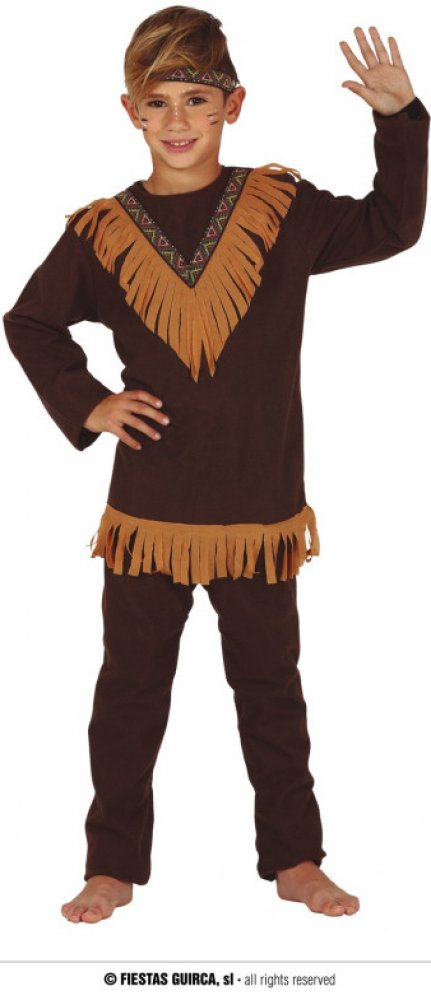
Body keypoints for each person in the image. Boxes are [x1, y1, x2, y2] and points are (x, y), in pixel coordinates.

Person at [3, 6, 429, 924]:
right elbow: (29, 321)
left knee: (271, 691)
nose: (178, 120)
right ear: (130, 111)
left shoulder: (280, 210)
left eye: (196, 100)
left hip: (258, 509)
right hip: (148, 512)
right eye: (158, 102)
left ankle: (296, 860)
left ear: (233, 105)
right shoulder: (102, 231)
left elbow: (391, 225)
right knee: (128, 693)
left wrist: (399, 120)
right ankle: (111, 866)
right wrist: (88, 401)